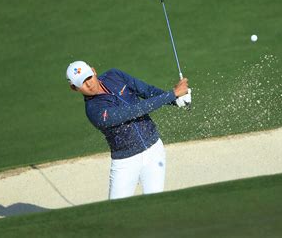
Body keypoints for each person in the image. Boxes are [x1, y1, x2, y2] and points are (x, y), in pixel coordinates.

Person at [66, 60, 190, 200]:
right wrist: (172, 94)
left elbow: (147, 90)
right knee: (116, 211)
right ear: (73, 88)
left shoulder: (114, 75)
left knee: (156, 202)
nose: (89, 84)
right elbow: (133, 111)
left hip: (154, 151)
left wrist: (176, 100)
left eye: (89, 77)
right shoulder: (94, 110)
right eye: (82, 82)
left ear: (94, 71)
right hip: (125, 163)